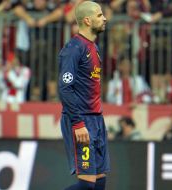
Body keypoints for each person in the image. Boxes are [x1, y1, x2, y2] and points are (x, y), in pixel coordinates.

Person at [58, 1, 109, 190]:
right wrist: (78, 124)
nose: (104, 18)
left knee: (100, 183)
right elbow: (65, 88)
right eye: (99, 15)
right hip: (81, 122)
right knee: (87, 185)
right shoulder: (74, 49)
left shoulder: (93, 47)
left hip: (96, 120)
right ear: (87, 20)